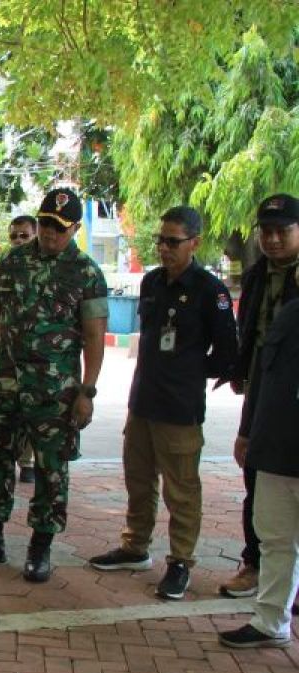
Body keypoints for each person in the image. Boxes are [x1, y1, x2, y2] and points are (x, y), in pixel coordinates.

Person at [0, 187, 108, 582]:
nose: (48, 233)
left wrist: (87, 392)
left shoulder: (87, 272)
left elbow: (93, 336)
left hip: (56, 393)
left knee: (51, 468)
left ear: (73, 229)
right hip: (6, 383)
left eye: (57, 227)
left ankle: (41, 546)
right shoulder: (12, 262)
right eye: (43, 224)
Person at [88, 207, 237, 599]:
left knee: (181, 489)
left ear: (194, 243)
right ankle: (135, 547)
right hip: (143, 401)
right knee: (138, 478)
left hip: (179, 408)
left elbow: (226, 354)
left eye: (173, 241)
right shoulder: (152, 282)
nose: (164, 248)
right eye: (161, 240)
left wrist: (188, 371)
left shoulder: (210, 290)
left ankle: (180, 562)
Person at [219, 194, 299, 600]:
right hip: (260, 391)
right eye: (266, 232)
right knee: (255, 475)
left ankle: (290, 580)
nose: (272, 240)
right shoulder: (256, 275)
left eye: (282, 231)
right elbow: (247, 327)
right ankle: (254, 563)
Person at [219, 297, 299, 647]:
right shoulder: (289, 314)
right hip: (275, 450)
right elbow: (262, 380)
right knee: (275, 540)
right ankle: (270, 621)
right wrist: (247, 430)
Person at [8, 215, 38, 483]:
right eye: (14, 236)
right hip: (5, 356)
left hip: (38, 360)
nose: (18, 241)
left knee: (32, 412)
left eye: (24, 236)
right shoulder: (5, 269)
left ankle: (28, 462)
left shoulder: (46, 271)